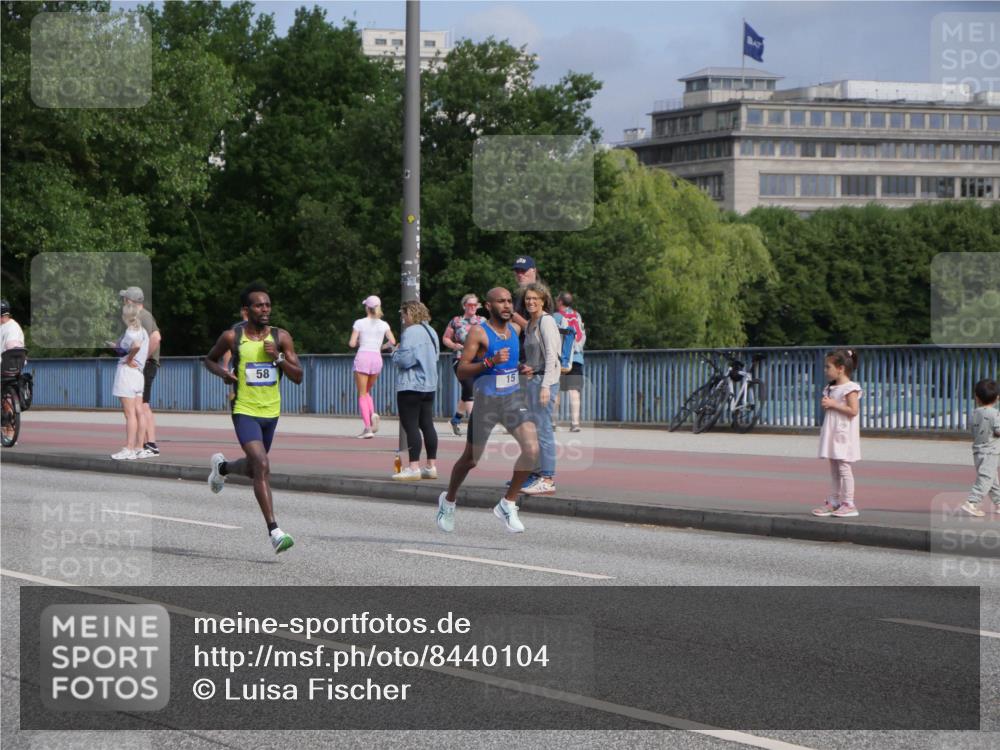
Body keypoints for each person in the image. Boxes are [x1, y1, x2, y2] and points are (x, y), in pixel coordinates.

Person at [203, 283, 304, 554]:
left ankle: (222, 468)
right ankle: (275, 532)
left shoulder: (281, 337)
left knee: (253, 468)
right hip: (244, 409)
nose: (265, 310)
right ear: (246, 311)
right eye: (259, 305)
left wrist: (280, 358)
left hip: (271, 412)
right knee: (261, 464)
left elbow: (298, 376)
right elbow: (209, 360)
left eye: (268, 305)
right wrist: (223, 373)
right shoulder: (232, 337)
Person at [436, 287, 540, 535]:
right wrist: (488, 363)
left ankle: (508, 503)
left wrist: (522, 368)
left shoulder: (515, 329)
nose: (507, 306)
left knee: (533, 449)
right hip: (487, 402)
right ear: (488, 305)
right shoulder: (479, 332)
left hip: (513, 398)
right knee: (470, 460)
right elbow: (461, 370)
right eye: (500, 302)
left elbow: (511, 362)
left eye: (508, 302)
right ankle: (448, 501)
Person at [518, 282, 562, 496]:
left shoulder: (546, 322)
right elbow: (536, 357)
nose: (531, 302)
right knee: (533, 432)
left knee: (544, 431)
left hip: (546, 383)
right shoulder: (530, 324)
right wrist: (528, 368)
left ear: (544, 300)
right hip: (533, 380)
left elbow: (553, 357)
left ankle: (547, 478)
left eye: (535, 298)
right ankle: (534, 475)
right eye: (528, 298)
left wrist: (546, 385)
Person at [391, 300, 440, 481]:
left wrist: (394, 353)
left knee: (410, 425)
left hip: (411, 385)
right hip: (430, 384)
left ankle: (413, 467)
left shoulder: (411, 332)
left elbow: (405, 361)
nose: (403, 319)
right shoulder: (431, 331)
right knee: (427, 424)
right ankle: (431, 466)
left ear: (410, 314)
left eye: (403, 315)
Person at [812, 349, 863, 518]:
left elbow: (853, 410)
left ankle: (849, 503)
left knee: (844, 467)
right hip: (834, 431)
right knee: (834, 467)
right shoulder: (832, 387)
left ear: (840, 368)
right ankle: (834, 501)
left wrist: (833, 404)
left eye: (828, 367)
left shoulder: (850, 388)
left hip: (843, 434)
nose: (826, 371)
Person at [119, 288, 161, 459]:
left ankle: (149, 444)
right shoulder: (143, 315)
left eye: (125, 299)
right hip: (145, 363)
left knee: (142, 405)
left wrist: (143, 358)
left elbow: (156, 337)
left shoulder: (142, 315)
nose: (123, 302)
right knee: (142, 404)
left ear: (130, 301)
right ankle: (146, 444)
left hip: (145, 364)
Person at [349, 295, 395, 439]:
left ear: (367, 308)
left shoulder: (359, 323)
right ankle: (372, 413)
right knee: (367, 391)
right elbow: (392, 341)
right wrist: (382, 346)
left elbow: (351, 343)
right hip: (376, 358)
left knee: (362, 394)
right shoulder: (384, 324)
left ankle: (368, 427)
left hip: (363, 356)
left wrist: (359, 342)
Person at [110, 302, 149, 460]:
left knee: (129, 414)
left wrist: (129, 358)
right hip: (139, 374)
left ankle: (129, 448)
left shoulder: (130, 331)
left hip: (128, 373)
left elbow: (136, 346)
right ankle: (140, 447)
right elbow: (140, 346)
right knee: (139, 412)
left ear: (125, 317)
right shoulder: (143, 331)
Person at [442, 294, 485, 435]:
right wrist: (454, 345)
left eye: (475, 305)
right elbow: (446, 338)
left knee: (468, 391)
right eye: (469, 305)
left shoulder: (482, 321)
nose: (472, 307)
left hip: (478, 360)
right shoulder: (456, 321)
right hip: (460, 359)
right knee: (469, 388)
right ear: (464, 306)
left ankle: (456, 419)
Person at [959, 378, 1000, 517]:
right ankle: (972, 502)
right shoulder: (995, 414)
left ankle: (999, 503)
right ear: (997, 398)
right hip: (991, 452)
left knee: (992, 479)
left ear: (976, 397)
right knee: (986, 479)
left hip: (978, 451)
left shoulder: (974, 413)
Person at [554, 291, 586, 432]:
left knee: (555, 391)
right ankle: (575, 423)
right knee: (574, 391)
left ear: (560, 302)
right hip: (577, 357)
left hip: (560, 358)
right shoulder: (577, 316)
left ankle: (552, 422)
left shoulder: (555, 316)